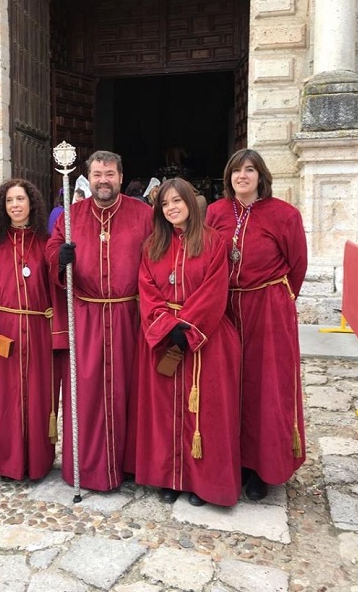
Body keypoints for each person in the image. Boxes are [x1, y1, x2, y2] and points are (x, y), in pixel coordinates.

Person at [129, 178, 241, 506]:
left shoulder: (213, 242)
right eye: (165, 204)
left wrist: (187, 326)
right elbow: (146, 288)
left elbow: (215, 288)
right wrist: (166, 324)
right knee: (164, 411)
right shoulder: (152, 246)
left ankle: (202, 483)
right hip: (165, 339)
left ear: (191, 203)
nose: (172, 208)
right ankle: (170, 477)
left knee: (205, 412)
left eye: (178, 201)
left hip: (206, 338)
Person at [46, 150, 153, 491]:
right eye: (97, 174)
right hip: (86, 316)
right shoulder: (71, 217)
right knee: (88, 394)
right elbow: (50, 250)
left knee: (131, 391)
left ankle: (132, 464)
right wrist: (58, 257)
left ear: (121, 177)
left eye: (109, 174)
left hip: (130, 315)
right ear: (87, 178)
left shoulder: (144, 214)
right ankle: (89, 468)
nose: (103, 180)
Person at [206, 148, 308, 501]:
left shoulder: (284, 214)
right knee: (228, 385)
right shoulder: (216, 213)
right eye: (236, 170)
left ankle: (262, 468)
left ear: (261, 176)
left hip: (267, 308)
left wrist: (275, 300)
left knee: (265, 388)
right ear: (228, 176)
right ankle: (233, 460)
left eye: (250, 170)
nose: (242, 176)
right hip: (226, 308)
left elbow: (297, 267)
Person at [0, 179, 59, 481]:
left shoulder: (46, 241)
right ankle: (6, 463)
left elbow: (58, 287)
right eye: (9, 201)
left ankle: (37, 462)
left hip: (38, 330)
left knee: (38, 398)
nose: (15, 205)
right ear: (2, 207)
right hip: (1, 331)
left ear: (32, 202)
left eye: (21, 199)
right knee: (1, 399)